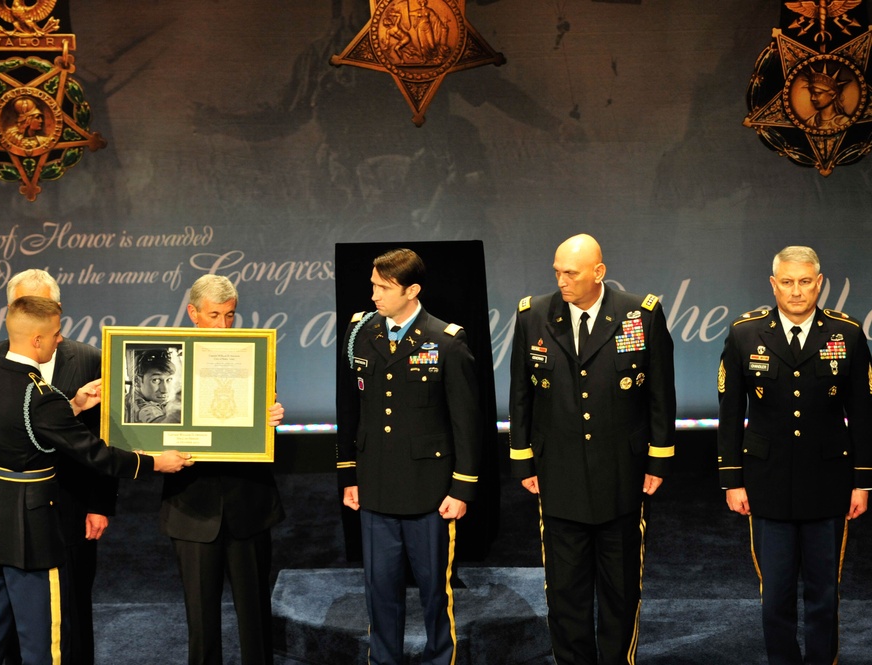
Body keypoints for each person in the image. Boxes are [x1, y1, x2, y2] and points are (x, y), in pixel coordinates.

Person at [0, 296, 192, 665]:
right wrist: (153, 463)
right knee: (44, 641)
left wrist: (75, 405)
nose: (60, 340)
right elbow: (94, 452)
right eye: (54, 333)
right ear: (36, 340)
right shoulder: (40, 395)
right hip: (30, 526)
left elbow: (20, 424)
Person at [508, 233, 676, 665]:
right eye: (557, 272)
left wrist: (658, 457)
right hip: (557, 472)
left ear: (599, 273)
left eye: (571, 273)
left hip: (623, 472)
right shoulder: (533, 315)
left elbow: (660, 393)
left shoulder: (641, 314)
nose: (561, 281)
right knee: (565, 593)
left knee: (621, 590)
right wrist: (522, 455)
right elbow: (520, 394)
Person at [717, 245, 872, 665]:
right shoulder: (745, 333)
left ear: (819, 283)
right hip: (766, 484)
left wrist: (863, 480)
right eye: (787, 282)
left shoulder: (848, 333)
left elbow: (862, 413)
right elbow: (730, 413)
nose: (797, 291)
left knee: (825, 594)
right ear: (773, 284)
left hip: (829, 483)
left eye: (805, 282)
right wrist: (732, 480)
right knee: (775, 597)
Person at [337, 248, 482, 665]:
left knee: (436, 591)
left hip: (429, 491)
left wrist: (462, 487)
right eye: (372, 285)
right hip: (376, 485)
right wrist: (348, 474)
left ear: (412, 290)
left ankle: (440, 659)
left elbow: (465, 422)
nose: (374, 294)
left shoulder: (445, 341)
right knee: (379, 591)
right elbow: (351, 409)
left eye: (384, 287)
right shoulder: (361, 333)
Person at [0, 268, 117, 665]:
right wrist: (154, 461)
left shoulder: (87, 359)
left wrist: (99, 503)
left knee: (68, 612)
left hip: (69, 507)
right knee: (39, 633)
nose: (59, 337)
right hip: (24, 516)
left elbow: (99, 435)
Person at [160, 273, 286, 665]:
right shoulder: (168, 359)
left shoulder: (253, 354)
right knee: (201, 622)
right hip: (192, 507)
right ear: (192, 312)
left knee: (255, 619)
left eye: (230, 315)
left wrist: (271, 416)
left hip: (248, 503)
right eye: (214, 315)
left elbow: (257, 422)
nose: (222, 325)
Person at [126, 347, 182, 424]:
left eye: (168, 380)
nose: (164, 390)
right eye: (155, 380)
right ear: (137, 381)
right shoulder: (143, 407)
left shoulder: (130, 397)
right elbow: (161, 424)